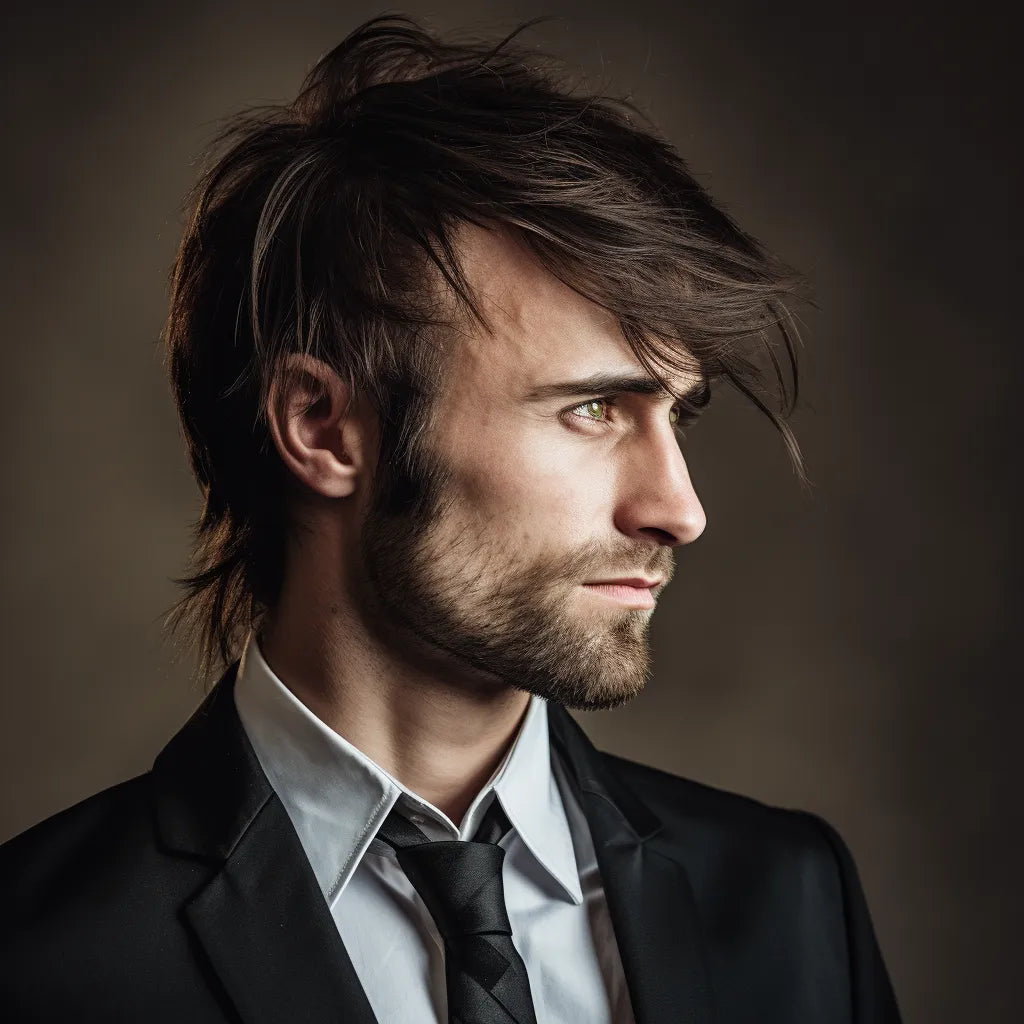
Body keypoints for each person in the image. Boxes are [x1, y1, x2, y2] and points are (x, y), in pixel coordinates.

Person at [0, 14, 901, 1024]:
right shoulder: (38, 960)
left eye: (675, 414)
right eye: (592, 408)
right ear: (323, 427)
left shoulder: (789, 901)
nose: (679, 509)